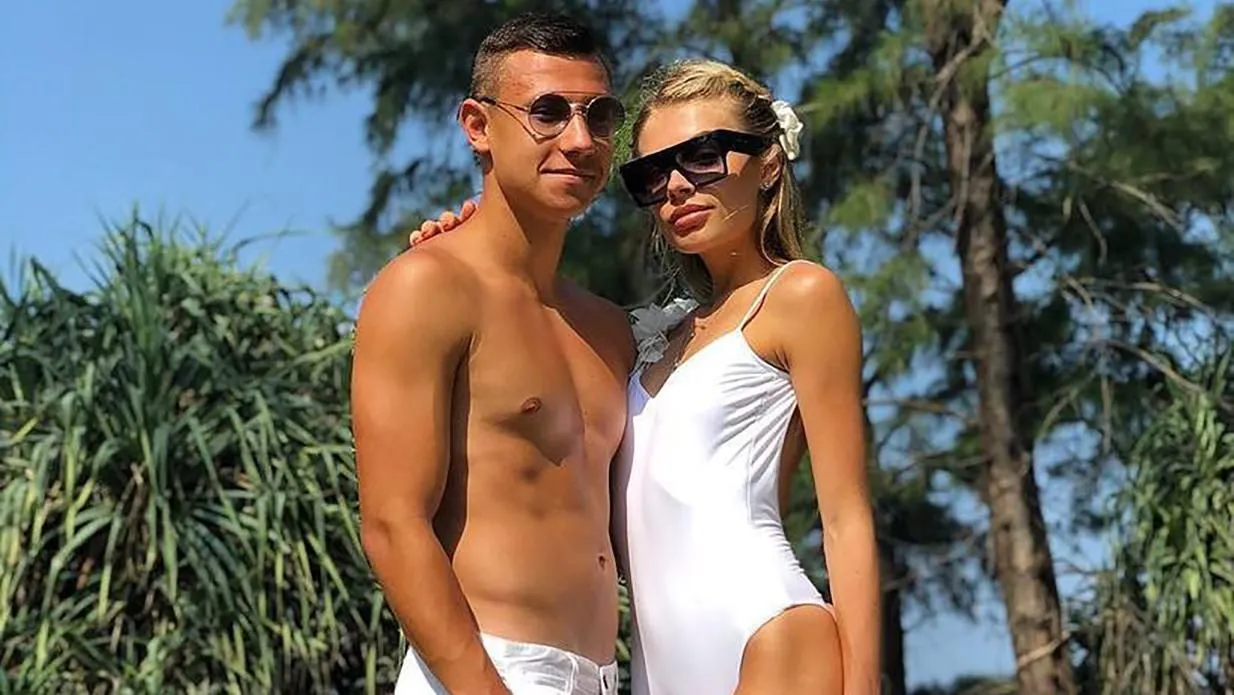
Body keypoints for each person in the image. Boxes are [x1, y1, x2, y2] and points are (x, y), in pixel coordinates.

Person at [412, 57, 882, 695]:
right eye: (653, 173)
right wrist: (458, 246)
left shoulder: (799, 295)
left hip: (765, 629)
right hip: (655, 669)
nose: (677, 187)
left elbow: (846, 518)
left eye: (704, 157)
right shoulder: (653, 339)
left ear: (770, 162)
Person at [350, 12, 634, 695]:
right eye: (547, 112)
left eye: (599, 115)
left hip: (602, 676)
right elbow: (393, 523)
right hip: (486, 670)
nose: (580, 139)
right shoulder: (427, 287)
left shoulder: (610, 331)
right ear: (478, 126)